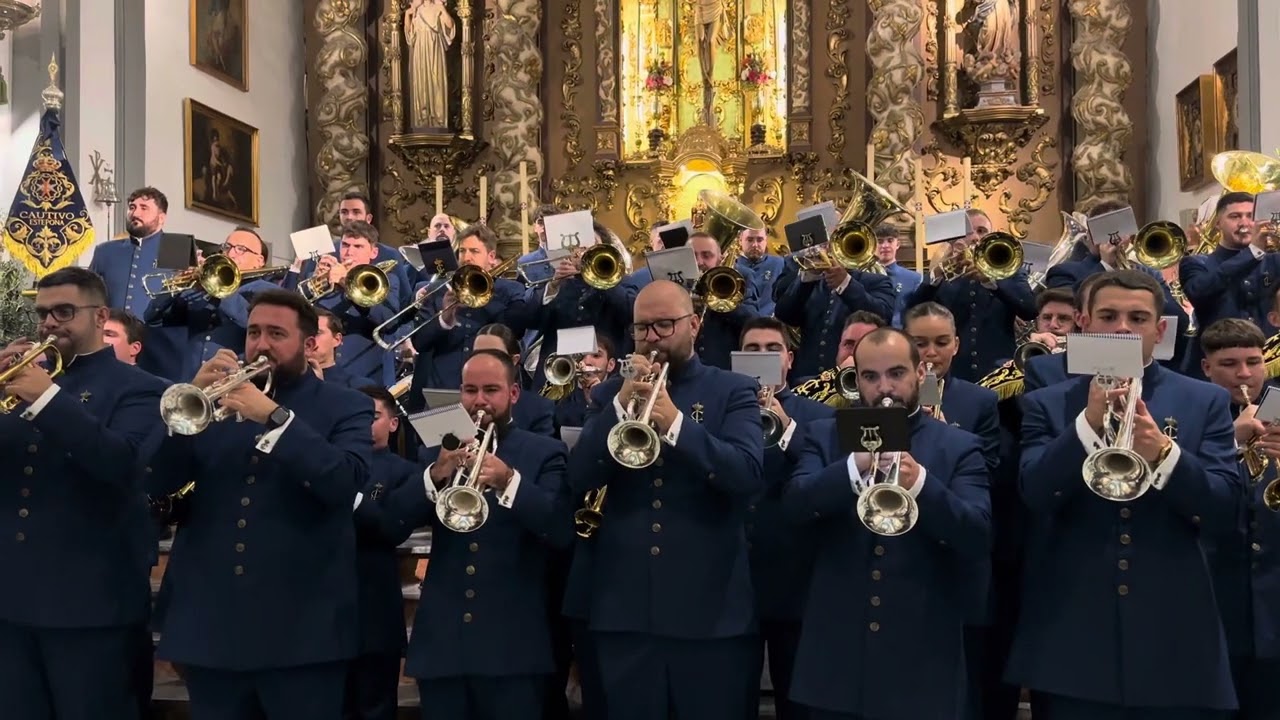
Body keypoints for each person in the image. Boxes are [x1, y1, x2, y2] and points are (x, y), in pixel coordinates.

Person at [1010, 269, 1240, 719]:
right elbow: (1035, 494)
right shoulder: (1047, 402)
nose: (1121, 329)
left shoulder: (1203, 401)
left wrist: (1165, 453)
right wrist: (1087, 425)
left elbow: (1223, 509)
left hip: (1175, 636)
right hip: (1072, 636)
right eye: (1108, 316)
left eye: (1137, 318)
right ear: (1083, 323)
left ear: (1158, 331)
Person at [145, 289, 373, 720]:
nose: (261, 344)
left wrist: (275, 418)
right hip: (211, 627)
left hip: (302, 632)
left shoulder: (347, 406)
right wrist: (188, 402)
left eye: (275, 333)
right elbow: (156, 479)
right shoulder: (214, 403)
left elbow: (345, 483)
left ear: (309, 345)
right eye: (253, 332)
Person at [567, 279, 764, 720]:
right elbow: (579, 478)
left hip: (711, 615)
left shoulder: (731, 390)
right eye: (642, 328)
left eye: (664, 325)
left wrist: (676, 424)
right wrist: (618, 406)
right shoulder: (606, 396)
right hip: (627, 614)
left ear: (694, 325)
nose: (652, 337)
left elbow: (746, 474)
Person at [784, 327, 991, 720]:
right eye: (871, 376)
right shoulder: (824, 435)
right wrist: (851, 467)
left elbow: (977, 536)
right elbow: (795, 508)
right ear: (855, 379)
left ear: (919, 374)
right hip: (836, 657)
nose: (885, 388)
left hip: (923, 656)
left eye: (897, 373)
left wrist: (923, 484)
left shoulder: (957, 445)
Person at [0, 266, 165, 720]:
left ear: (100, 316)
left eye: (64, 311)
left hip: (93, 608)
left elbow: (123, 465)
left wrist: (48, 399)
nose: (49, 323)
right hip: (11, 603)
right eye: (43, 314)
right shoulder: (17, 382)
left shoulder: (142, 389)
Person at [386, 349, 572, 719]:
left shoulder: (544, 453)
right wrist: (435, 476)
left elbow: (560, 530)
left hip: (513, 648)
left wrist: (508, 480)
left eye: (491, 390)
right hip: (443, 648)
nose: (480, 401)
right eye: (470, 391)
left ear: (513, 394)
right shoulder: (438, 452)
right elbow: (392, 525)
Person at [738, 316, 835, 720]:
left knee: (798, 701)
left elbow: (827, 480)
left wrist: (785, 426)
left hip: (796, 579)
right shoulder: (720, 410)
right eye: (752, 351)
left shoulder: (818, 416)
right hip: (734, 579)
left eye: (771, 350)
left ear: (789, 359)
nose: (762, 357)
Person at [1196, 319, 1280, 720]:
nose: (1244, 374)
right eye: (1229, 363)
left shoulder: (1278, 405)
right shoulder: (1187, 414)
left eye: (1253, 361)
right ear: (1206, 367)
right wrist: (1232, 439)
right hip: (1209, 598)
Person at [347, 386, 423, 720]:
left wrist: (348, 494)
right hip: (324, 606)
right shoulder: (331, 460)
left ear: (393, 423)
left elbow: (392, 526)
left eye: (373, 416)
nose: (365, 424)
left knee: (375, 706)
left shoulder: (404, 471)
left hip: (374, 606)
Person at [904, 208, 1037, 381]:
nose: (974, 237)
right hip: (952, 374)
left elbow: (1030, 309)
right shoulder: (942, 273)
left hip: (1000, 372)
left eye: (981, 231)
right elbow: (911, 312)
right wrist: (936, 276)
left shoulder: (1009, 271)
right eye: (967, 232)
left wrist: (992, 282)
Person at [143, 227, 284, 381]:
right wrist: (175, 285)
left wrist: (218, 288)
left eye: (241, 249)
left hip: (233, 382)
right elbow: (153, 319)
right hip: (193, 381)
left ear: (259, 261)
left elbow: (249, 320)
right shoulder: (202, 289)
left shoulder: (269, 292)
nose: (231, 253)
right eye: (227, 247)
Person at [285, 221, 404, 385]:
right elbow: (294, 317)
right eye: (345, 245)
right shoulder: (323, 279)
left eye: (358, 246)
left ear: (374, 252)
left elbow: (388, 321)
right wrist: (315, 283)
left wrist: (345, 282)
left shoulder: (386, 280)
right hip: (322, 372)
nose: (349, 252)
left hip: (366, 374)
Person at [774, 239, 896, 383]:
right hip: (808, 377)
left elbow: (882, 316)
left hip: (857, 378)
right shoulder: (810, 284)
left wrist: (846, 284)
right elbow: (784, 314)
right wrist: (808, 277)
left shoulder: (878, 281)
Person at [689, 230, 761, 369]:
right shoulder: (673, 283)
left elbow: (754, 322)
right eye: (692, 255)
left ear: (720, 259)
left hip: (725, 368)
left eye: (706, 255)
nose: (698, 262)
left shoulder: (741, 276)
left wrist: (718, 300)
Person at [872, 224, 923, 327]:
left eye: (890, 241)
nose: (885, 246)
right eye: (880, 241)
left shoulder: (914, 279)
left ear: (898, 244)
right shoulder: (865, 275)